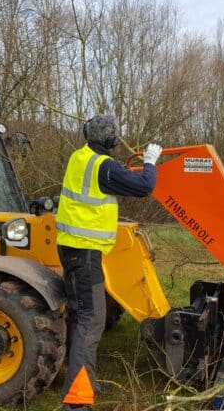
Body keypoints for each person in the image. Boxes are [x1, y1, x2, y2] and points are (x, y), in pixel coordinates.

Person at [55, 115, 162, 411]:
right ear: (112, 140)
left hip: (71, 248)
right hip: (85, 253)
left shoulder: (79, 157)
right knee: (92, 320)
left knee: (79, 315)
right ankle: (76, 401)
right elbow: (144, 186)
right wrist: (151, 161)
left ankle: (82, 380)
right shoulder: (104, 167)